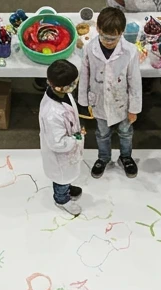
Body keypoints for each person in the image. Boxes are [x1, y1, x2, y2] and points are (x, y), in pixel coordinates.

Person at [81, 8, 141, 180]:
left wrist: (134, 109)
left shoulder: (130, 51)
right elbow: (84, 75)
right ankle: (104, 158)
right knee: (102, 133)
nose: (108, 42)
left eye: (113, 38)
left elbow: (135, 82)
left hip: (122, 102)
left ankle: (125, 157)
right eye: (104, 37)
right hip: (99, 100)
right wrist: (84, 102)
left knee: (125, 131)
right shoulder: (89, 49)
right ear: (98, 29)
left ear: (122, 33)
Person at [40, 60, 86, 216]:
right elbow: (57, 144)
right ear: (59, 86)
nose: (74, 86)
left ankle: (66, 188)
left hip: (68, 148)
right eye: (72, 84)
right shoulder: (51, 114)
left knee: (67, 176)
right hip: (60, 155)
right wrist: (76, 137)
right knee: (61, 178)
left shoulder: (62, 94)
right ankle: (61, 199)